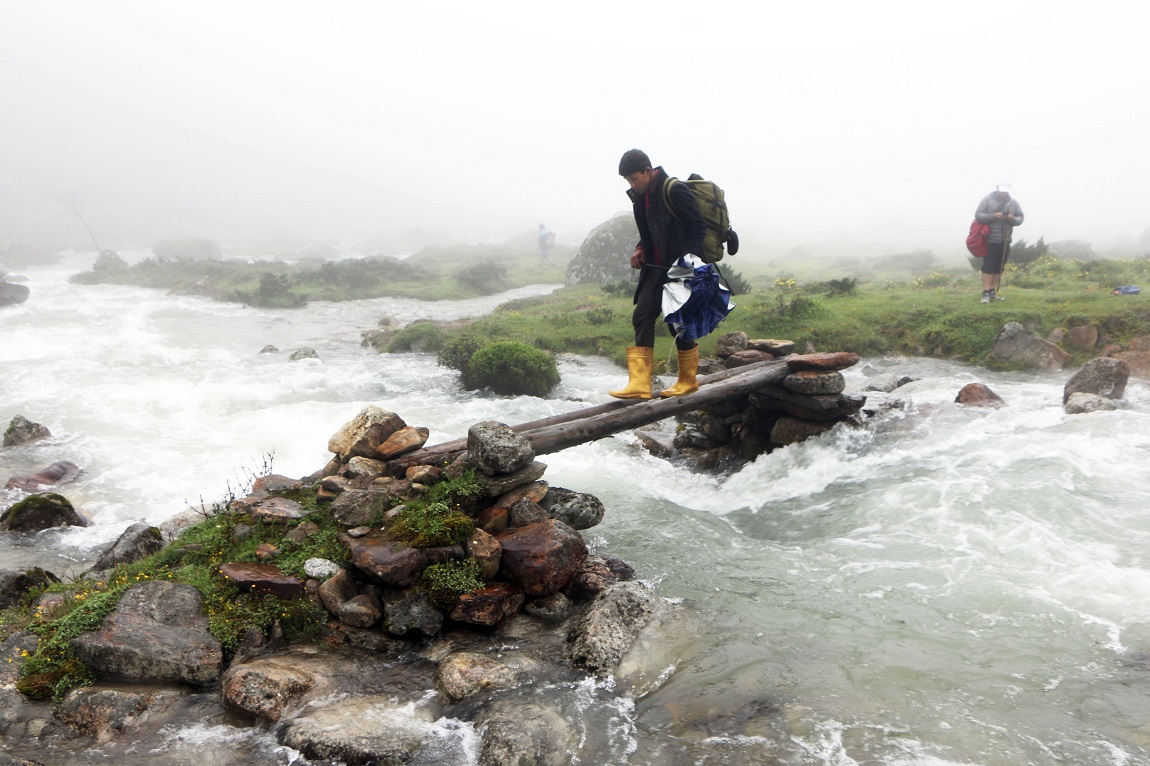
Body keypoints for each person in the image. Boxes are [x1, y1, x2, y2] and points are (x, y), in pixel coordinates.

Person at [609, 149, 707, 400]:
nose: (632, 184)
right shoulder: (643, 195)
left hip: (678, 268)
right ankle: (640, 384)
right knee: (642, 315)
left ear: (648, 171)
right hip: (654, 267)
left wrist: (687, 262)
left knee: (678, 323)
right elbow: (651, 228)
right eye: (628, 181)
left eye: (634, 178)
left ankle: (688, 380)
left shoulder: (674, 190)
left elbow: (697, 227)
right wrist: (640, 248)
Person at [974, 178, 1024, 303]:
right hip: (989, 239)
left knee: (999, 267)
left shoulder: (1013, 203)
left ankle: (992, 291)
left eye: (1006, 192)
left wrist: (1011, 218)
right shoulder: (987, 200)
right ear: (997, 189)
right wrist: (993, 216)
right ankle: (985, 293)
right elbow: (978, 216)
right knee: (988, 267)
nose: (1004, 194)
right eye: (1002, 191)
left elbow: (1020, 218)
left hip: (1005, 240)